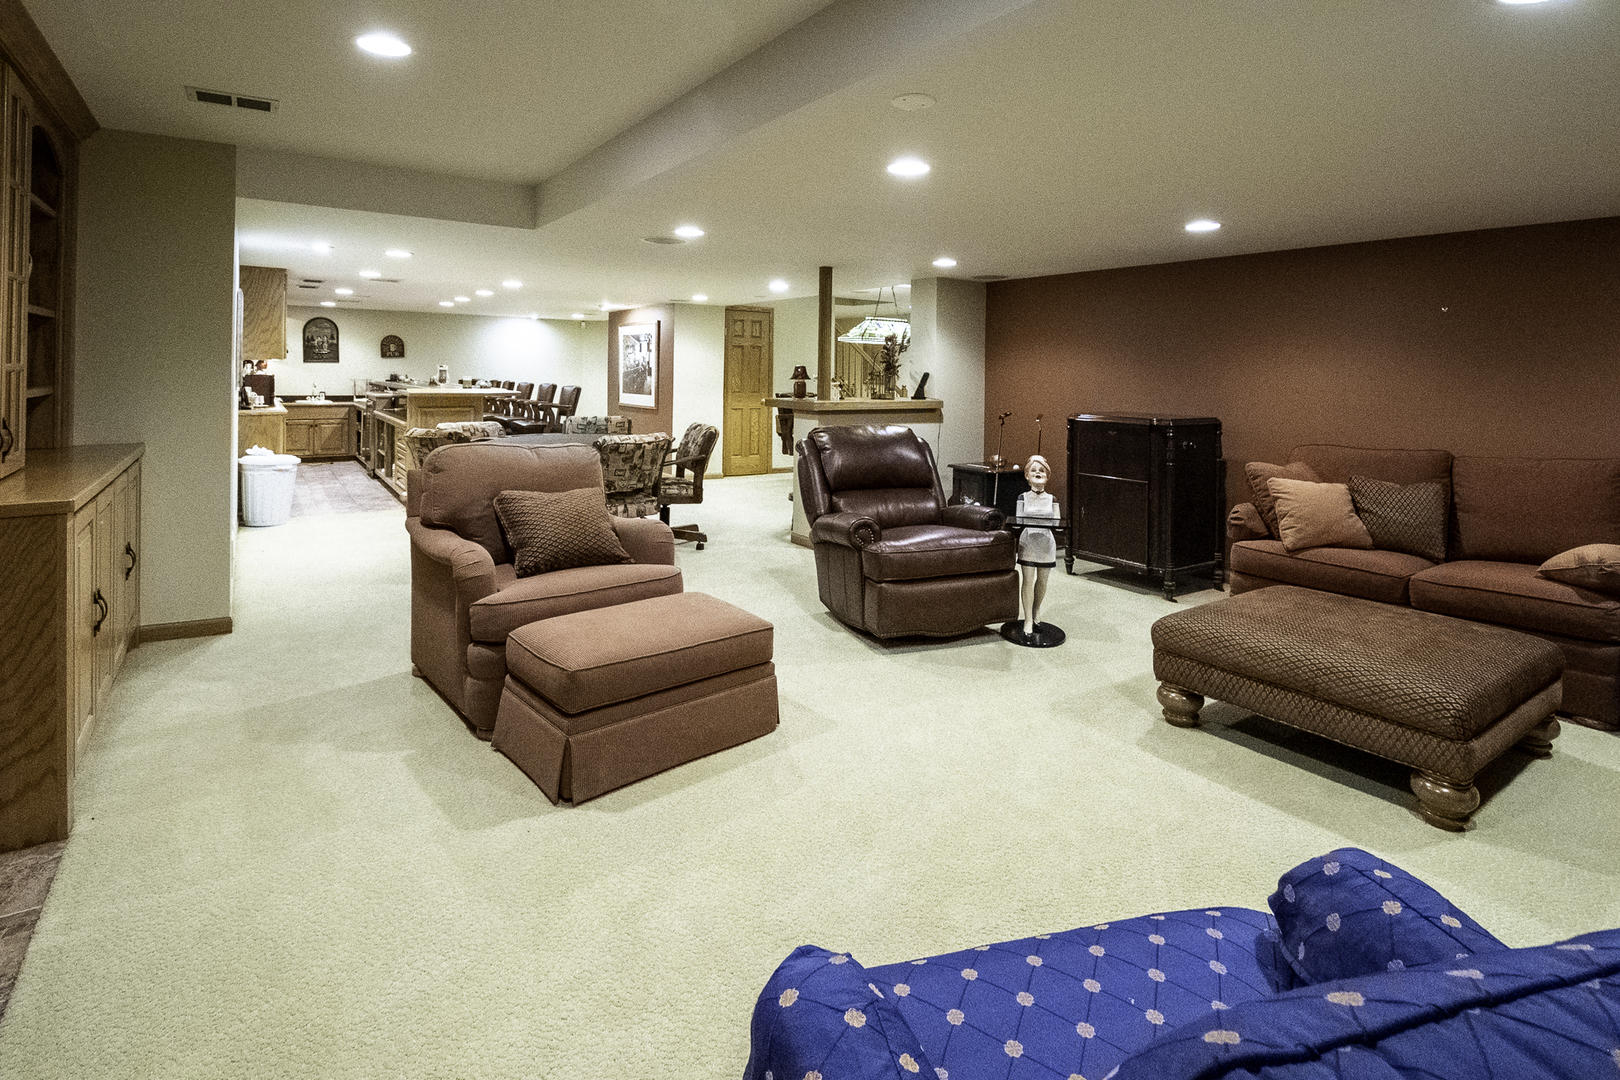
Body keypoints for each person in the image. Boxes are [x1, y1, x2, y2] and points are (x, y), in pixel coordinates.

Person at [1015, 454, 1059, 637]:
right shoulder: (1022, 497)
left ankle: (1036, 611)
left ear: (1047, 476)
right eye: (1033, 470)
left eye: (1041, 470)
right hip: (1028, 542)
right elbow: (1018, 521)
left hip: (1046, 542)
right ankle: (1027, 619)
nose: (1037, 473)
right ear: (1027, 475)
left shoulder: (1052, 499)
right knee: (1028, 580)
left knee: (1042, 580)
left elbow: (1057, 521)